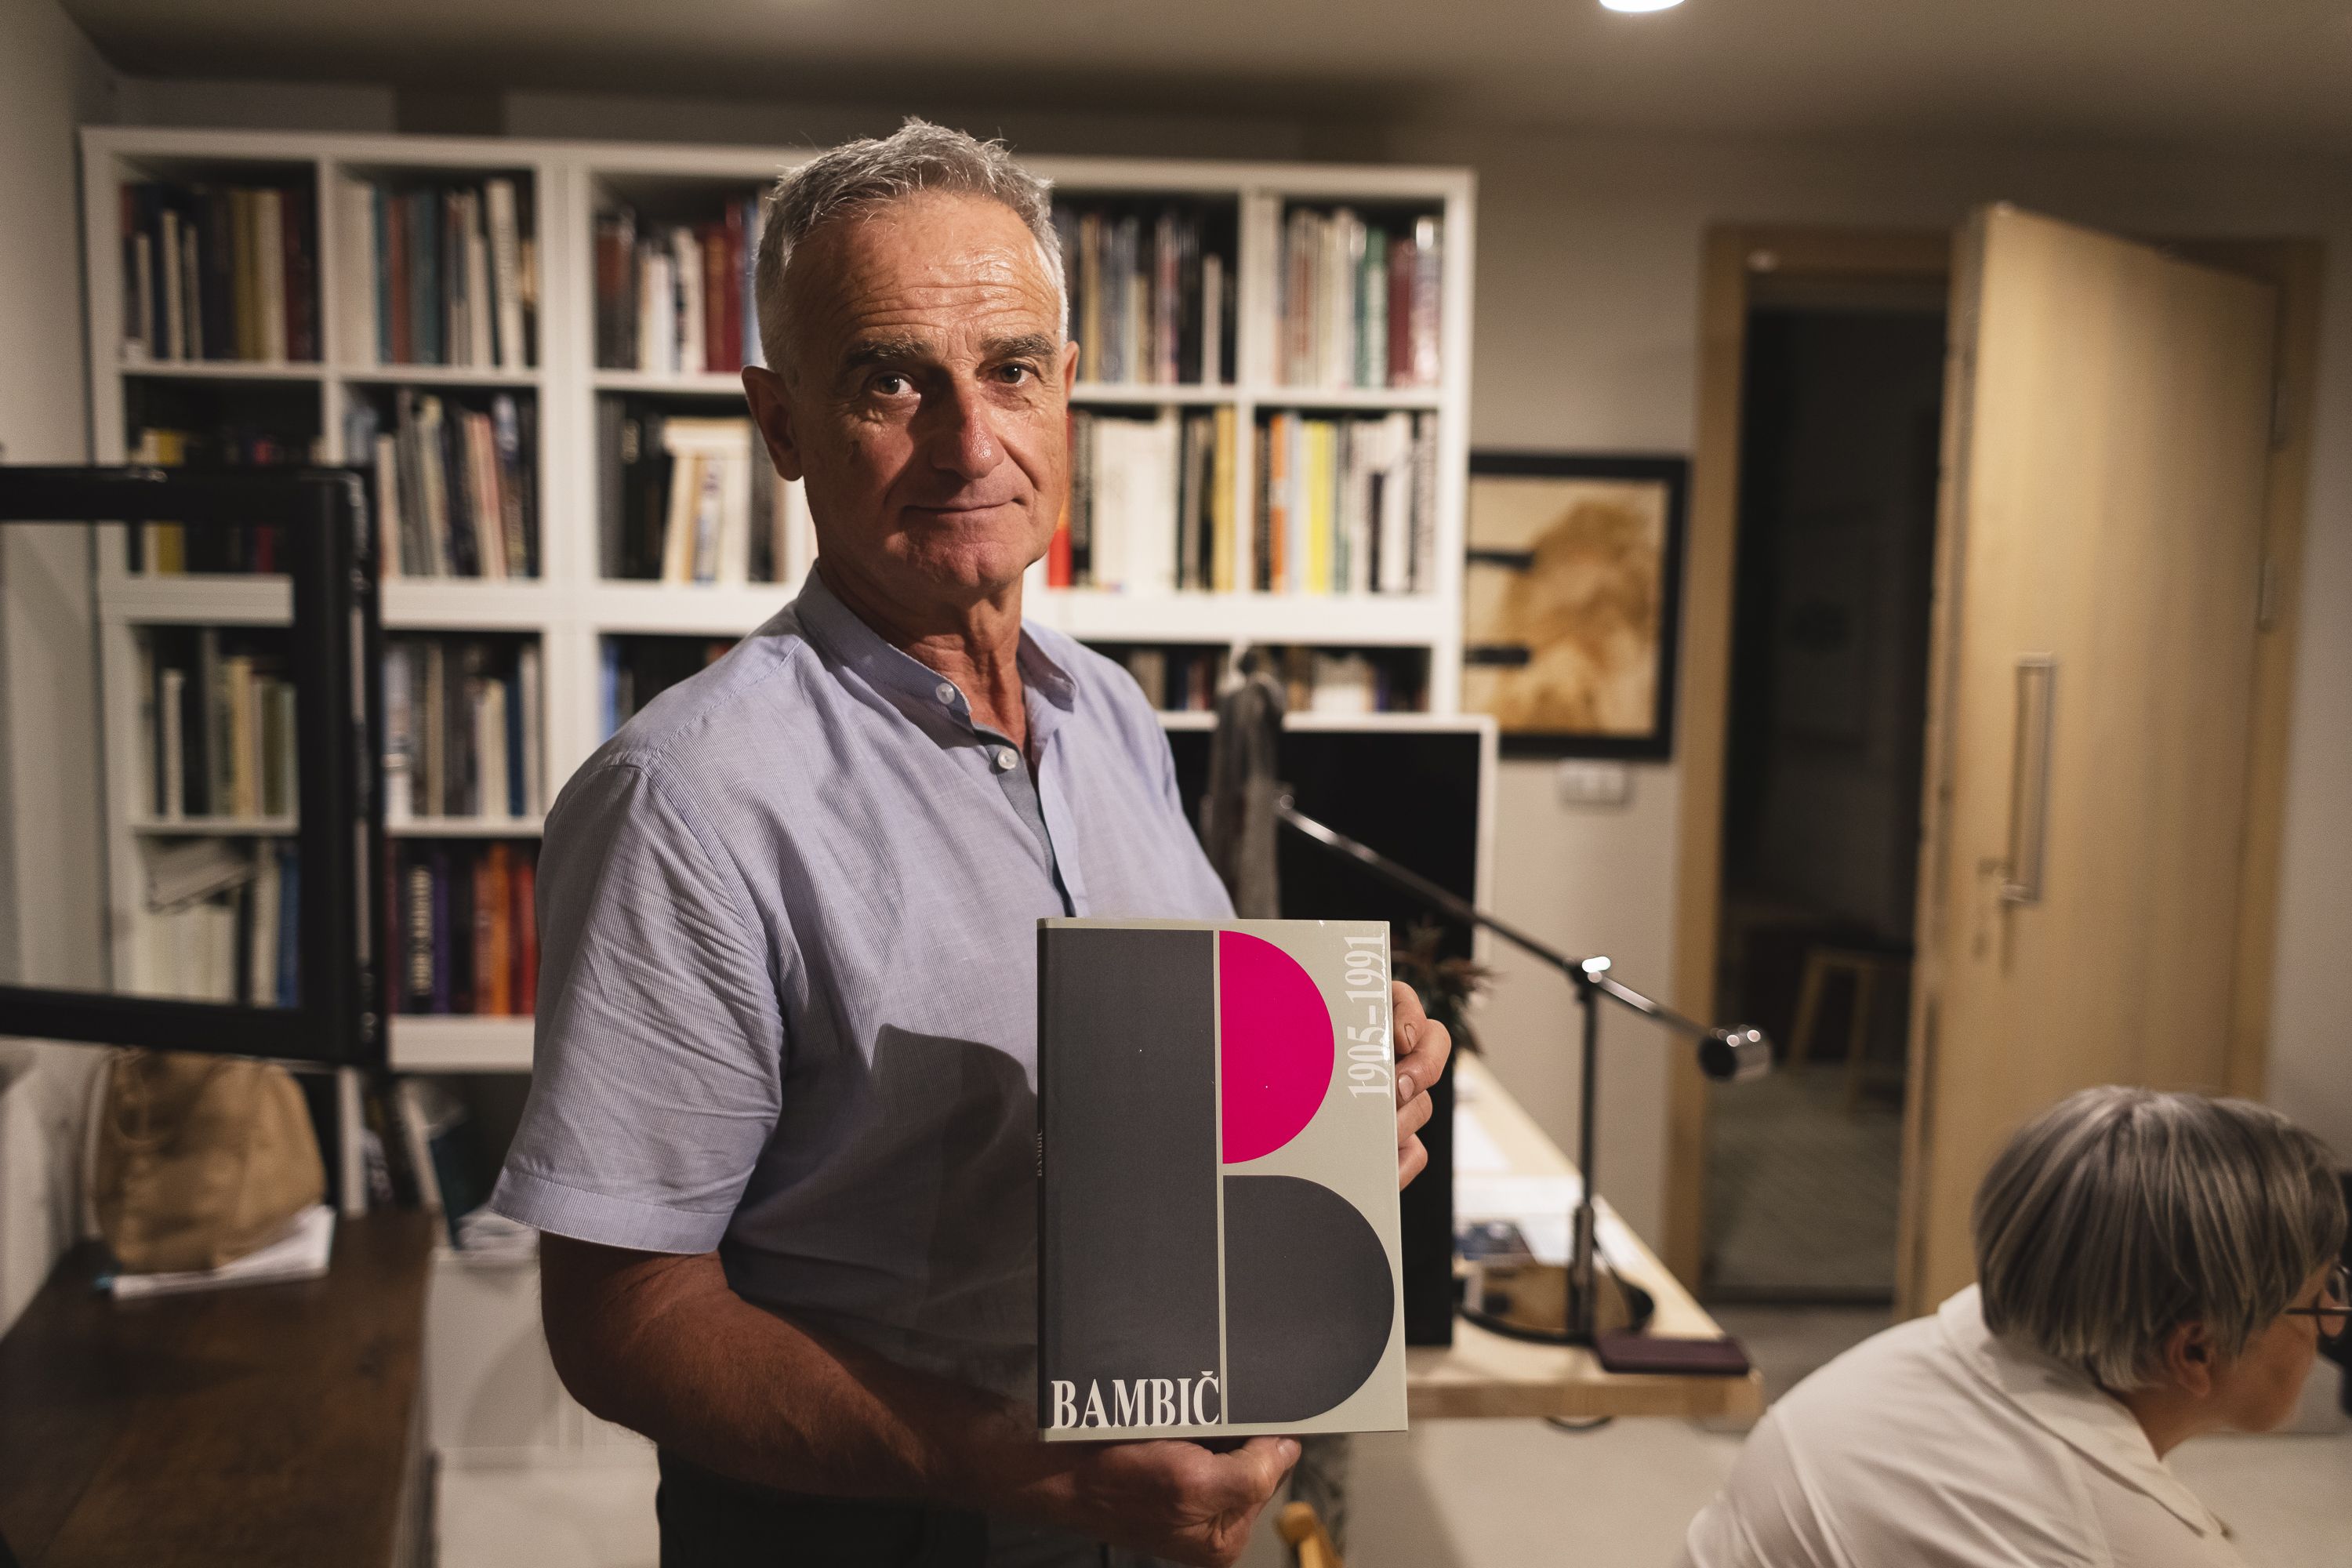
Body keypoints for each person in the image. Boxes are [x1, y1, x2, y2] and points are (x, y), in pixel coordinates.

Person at [485, 120, 1451, 1568]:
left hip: (1154, 1501)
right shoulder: (684, 801)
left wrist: (1334, 1089)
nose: (969, 441)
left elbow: (1169, 1094)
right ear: (782, 424)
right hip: (876, 1533)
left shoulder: (1111, 714)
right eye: (891, 380)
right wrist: (1030, 1475)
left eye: (1010, 370)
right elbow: (623, 1322)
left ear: (1067, 392)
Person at [1682, 1087, 2349, 1567]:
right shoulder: (2116, 1544)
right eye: (2320, 1295)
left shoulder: (1909, 1358)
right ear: (2196, 1351)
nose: (2335, 1317)